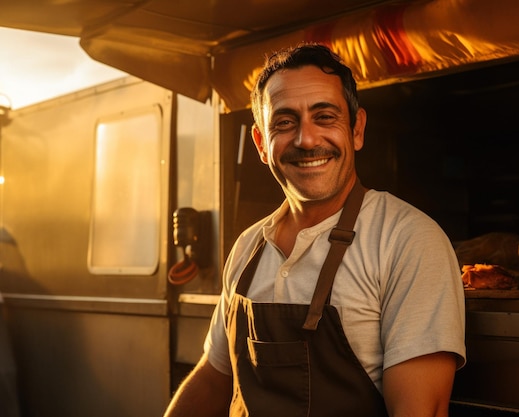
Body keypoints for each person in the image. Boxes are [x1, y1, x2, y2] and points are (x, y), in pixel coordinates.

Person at [164, 43, 466, 417]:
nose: (306, 140)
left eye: (325, 117)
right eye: (285, 122)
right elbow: (213, 378)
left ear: (356, 130)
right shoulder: (247, 248)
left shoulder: (408, 240)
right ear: (262, 144)